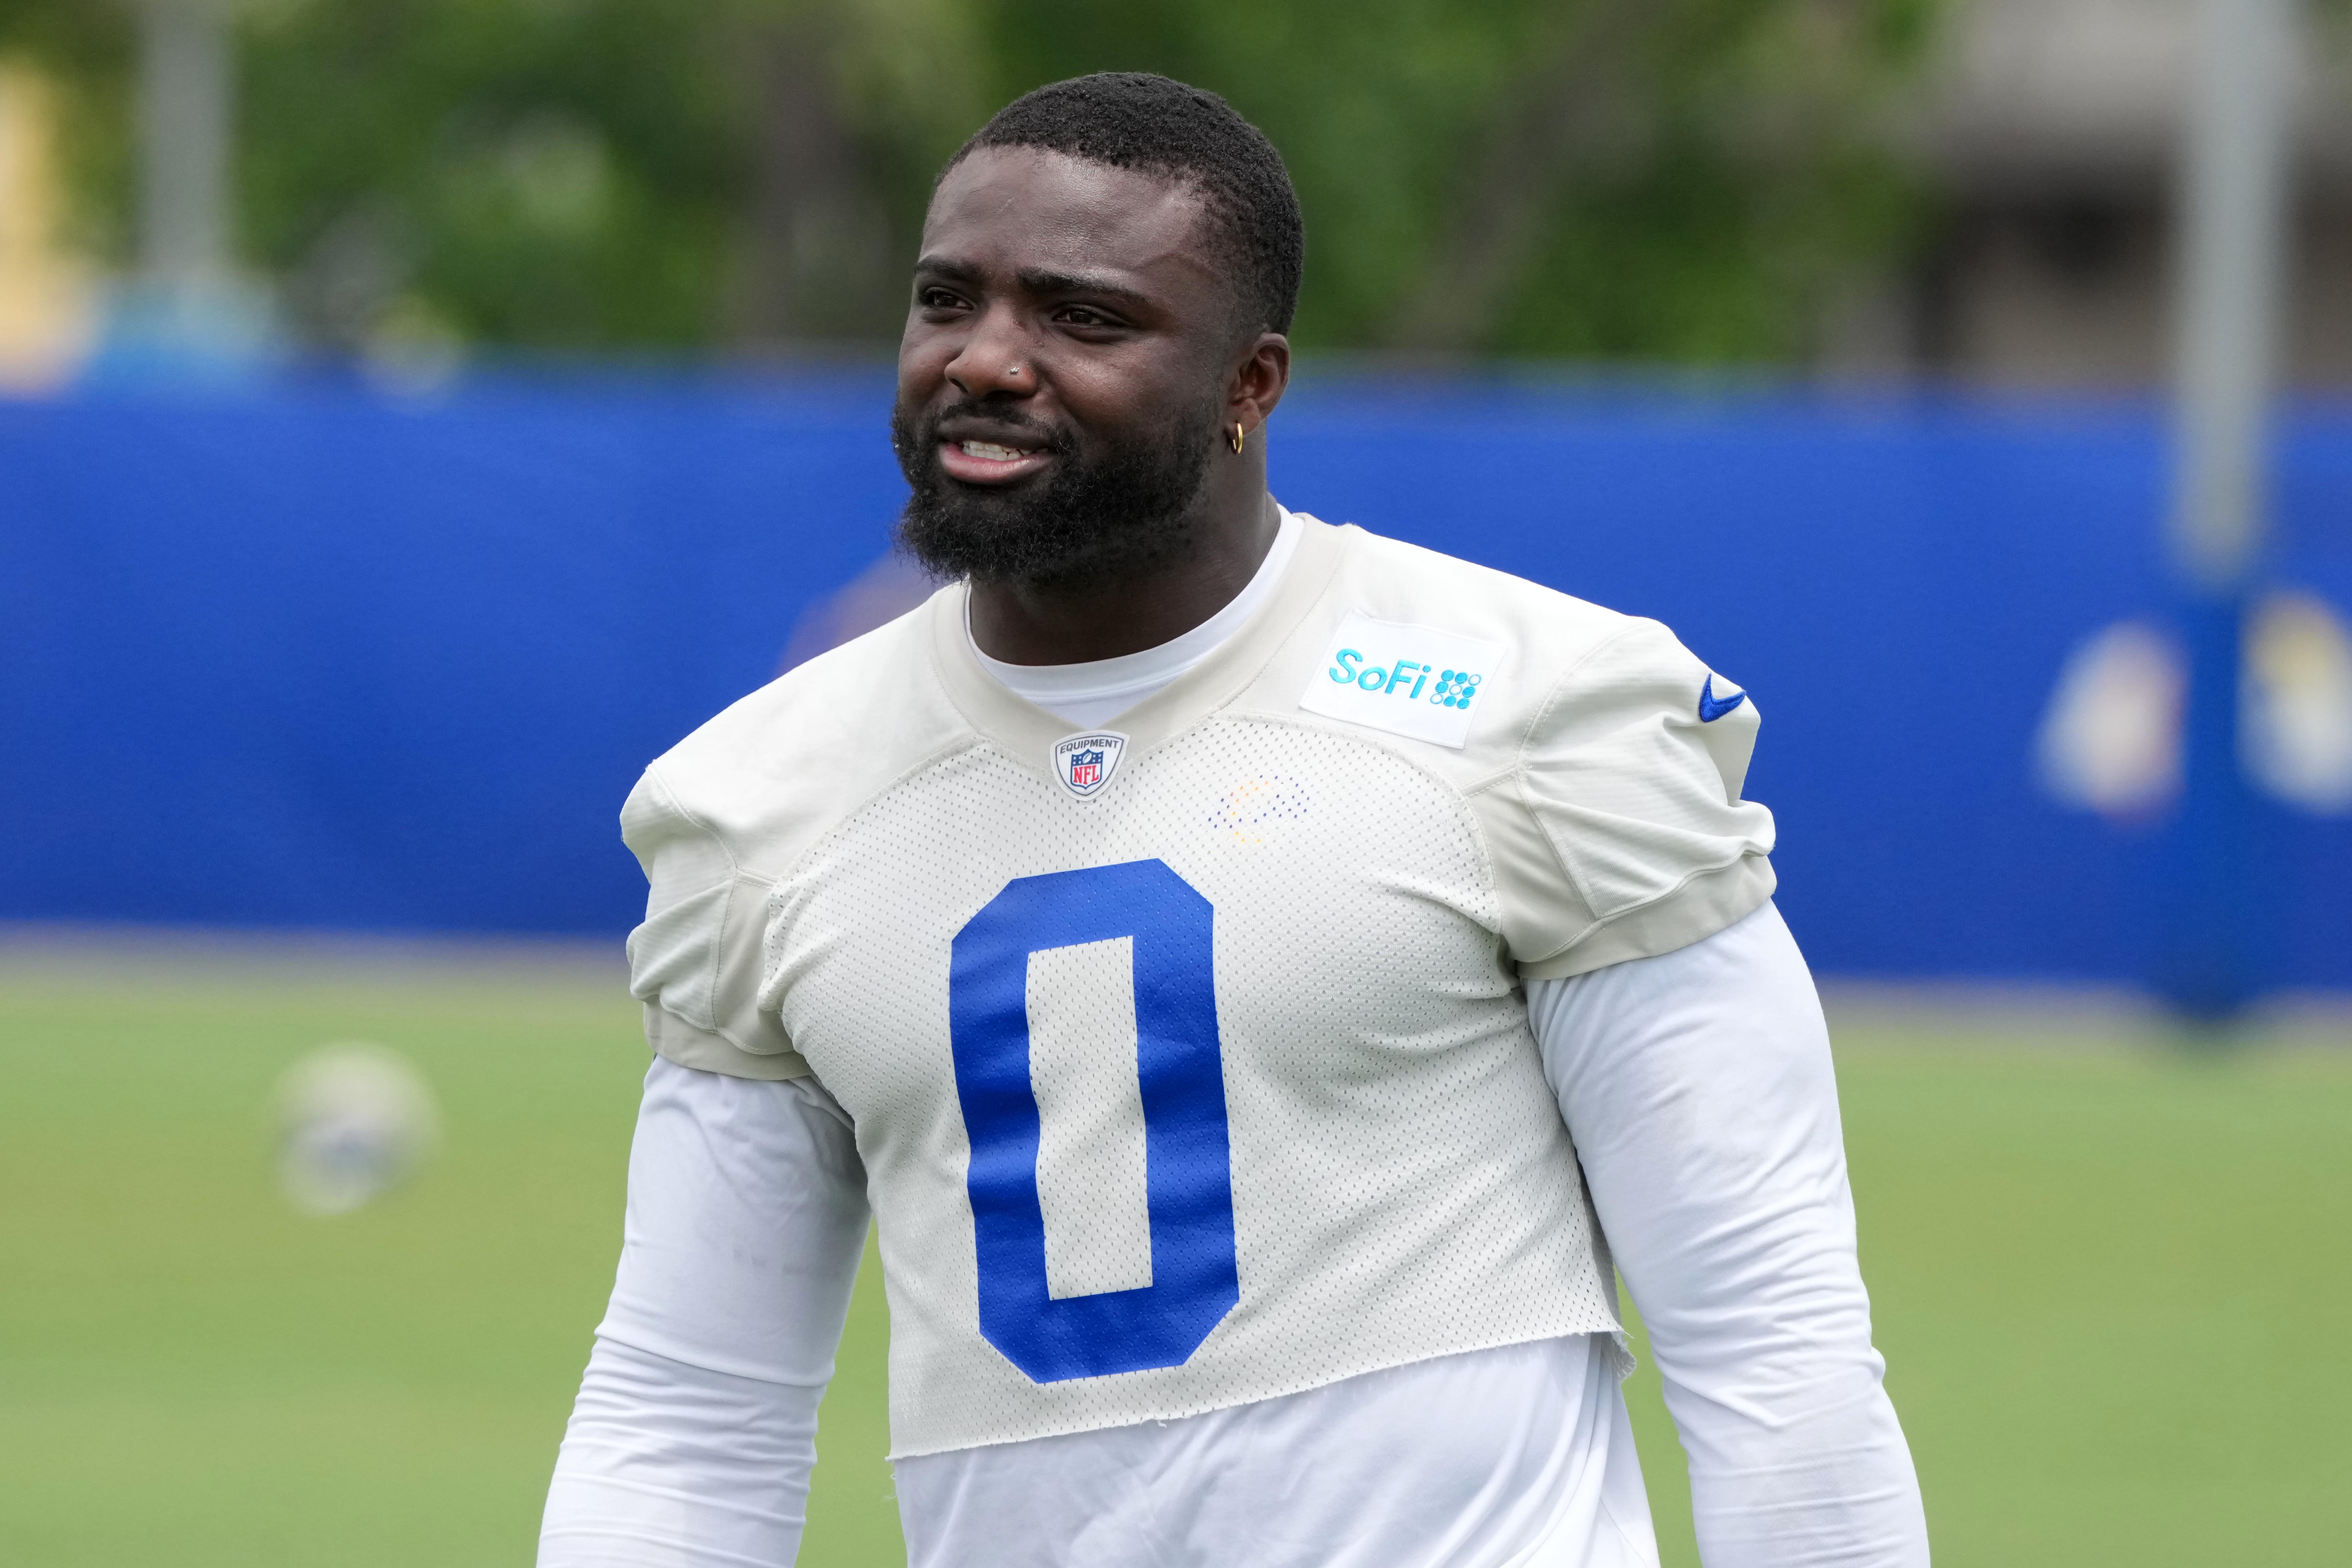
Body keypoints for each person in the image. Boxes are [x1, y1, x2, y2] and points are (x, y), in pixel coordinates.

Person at [538, 71, 1928, 1568]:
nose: (988, 360)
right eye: (951, 300)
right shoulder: (764, 799)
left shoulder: (1538, 716)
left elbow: (1774, 1346)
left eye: (1084, 318)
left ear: (1250, 387)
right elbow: (688, 1410)